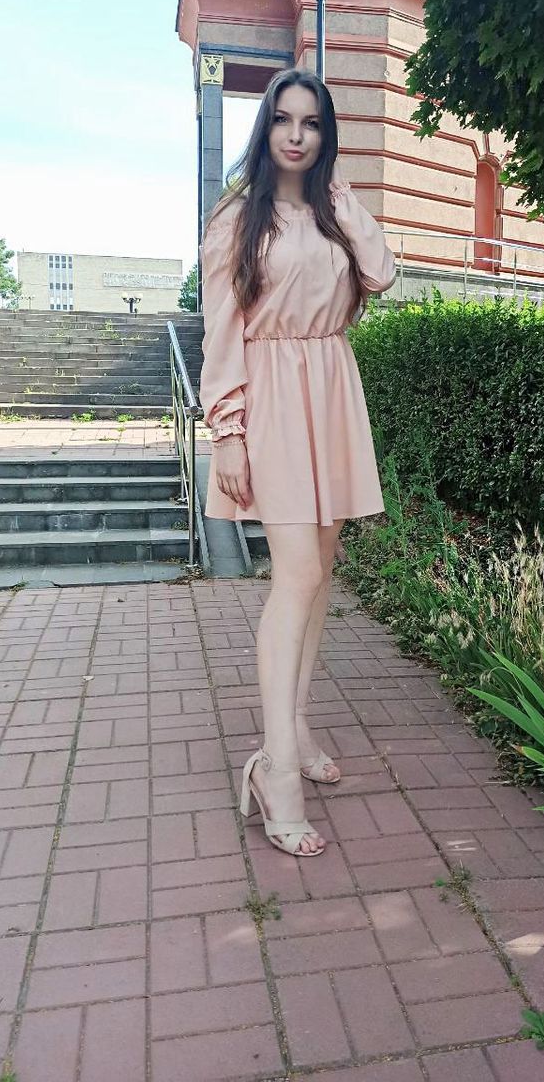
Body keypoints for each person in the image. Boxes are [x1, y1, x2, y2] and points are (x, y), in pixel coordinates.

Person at [198, 67, 397, 857]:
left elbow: (381, 274)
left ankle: (298, 727)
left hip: (331, 387)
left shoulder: (330, 211)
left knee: (320, 572)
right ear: (265, 127)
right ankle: (274, 769)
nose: (295, 134)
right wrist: (228, 429)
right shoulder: (236, 218)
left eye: (311, 123)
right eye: (283, 119)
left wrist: (340, 197)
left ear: (325, 134)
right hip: (272, 394)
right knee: (297, 577)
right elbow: (221, 328)